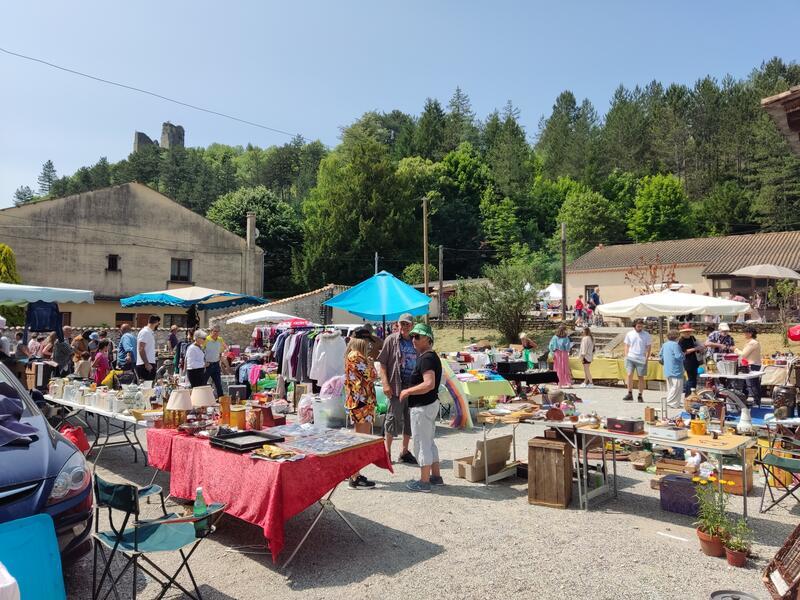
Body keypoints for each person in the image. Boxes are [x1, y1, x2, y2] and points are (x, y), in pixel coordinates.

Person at [400, 323, 443, 493]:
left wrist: (408, 391)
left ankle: (424, 481)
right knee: (429, 441)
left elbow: (429, 384)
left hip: (422, 406)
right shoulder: (430, 356)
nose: (413, 339)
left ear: (428, 339)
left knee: (421, 442)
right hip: (428, 404)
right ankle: (436, 476)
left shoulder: (426, 358)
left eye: (417, 336)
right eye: (412, 336)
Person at [377, 313, 417, 464]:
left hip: (413, 387)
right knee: (392, 419)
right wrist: (385, 384)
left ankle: (404, 451)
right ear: (398, 324)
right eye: (402, 323)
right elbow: (382, 363)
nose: (404, 326)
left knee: (410, 420)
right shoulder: (391, 340)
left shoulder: (416, 340)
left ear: (412, 325)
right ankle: (387, 453)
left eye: (407, 324)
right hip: (396, 386)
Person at [344, 337, 378, 489]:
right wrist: (371, 364)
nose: (369, 347)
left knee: (359, 438)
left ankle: (354, 474)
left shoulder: (352, 355)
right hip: (362, 402)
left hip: (359, 401)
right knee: (361, 440)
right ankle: (355, 476)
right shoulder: (357, 357)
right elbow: (372, 375)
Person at [623, 319, 652, 402]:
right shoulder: (629, 334)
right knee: (629, 375)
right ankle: (629, 393)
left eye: (641, 326)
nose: (640, 328)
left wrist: (646, 358)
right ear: (634, 326)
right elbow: (626, 345)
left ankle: (640, 395)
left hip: (641, 358)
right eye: (638, 326)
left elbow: (648, 347)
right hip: (630, 357)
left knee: (640, 377)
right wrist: (626, 355)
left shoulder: (646, 334)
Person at [659, 329, 685, 409]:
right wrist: (684, 354)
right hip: (676, 369)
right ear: (677, 337)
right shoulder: (675, 345)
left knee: (671, 387)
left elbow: (660, 355)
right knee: (677, 387)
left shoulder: (665, 344)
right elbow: (678, 356)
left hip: (667, 368)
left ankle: (676, 403)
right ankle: (670, 402)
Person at [736, 326, 762, 403]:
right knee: (753, 383)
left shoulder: (752, 343)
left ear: (750, 334)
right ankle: (754, 400)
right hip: (754, 364)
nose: (744, 334)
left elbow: (743, 354)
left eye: (746, 333)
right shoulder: (753, 342)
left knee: (751, 383)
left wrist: (735, 350)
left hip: (752, 365)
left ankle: (756, 400)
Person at [678, 323, 702, 396]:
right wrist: (695, 349)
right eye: (686, 331)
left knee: (693, 379)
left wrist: (700, 347)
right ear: (682, 332)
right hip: (688, 361)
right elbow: (684, 352)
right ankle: (688, 395)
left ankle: (692, 394)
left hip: (694, 360)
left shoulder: (692, 338)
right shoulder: (681, 340)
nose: (688, 333)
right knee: (691, 379)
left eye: (689, 331)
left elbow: (697, 344)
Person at [203, 326, 227, 396]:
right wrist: (203, 362)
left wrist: (223, 352)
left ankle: (221, 399)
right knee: (203, 383)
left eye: (218, 331)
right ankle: (202, 399)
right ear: (211, 331)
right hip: (207, 365)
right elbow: (201, 351)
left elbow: (225, 348)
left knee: (218, 384)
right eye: (215, 331)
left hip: (216, 364)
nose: (216, 333)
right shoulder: (206, 339)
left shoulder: (220, 339)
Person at [136, 315, 160, 381]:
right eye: (158, 323)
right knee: (146, 385)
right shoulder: (145, 332)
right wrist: (146, 363)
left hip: (148, 363)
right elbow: (141, 348)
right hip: (145, 365)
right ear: (156, 322)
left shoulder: (149, 332)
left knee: (150, 385)